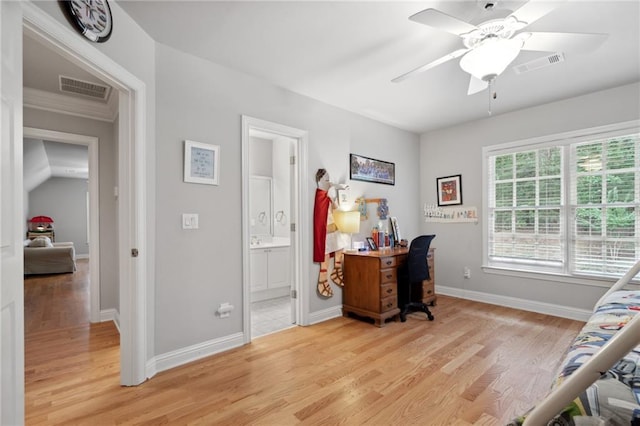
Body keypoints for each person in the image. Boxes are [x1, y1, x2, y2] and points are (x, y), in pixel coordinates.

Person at [313, 169, 349, 297]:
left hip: (333, 227)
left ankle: (337, 269)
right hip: (326, 230)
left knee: (341, 245)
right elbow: (319, 217)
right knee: (326, 253)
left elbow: (335, 209)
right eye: (326, 180)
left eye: (329, 180)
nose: (329, 182)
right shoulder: (320, 196)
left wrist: (333, 197)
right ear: (319, 181)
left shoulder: (327, 196)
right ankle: (322, 279)